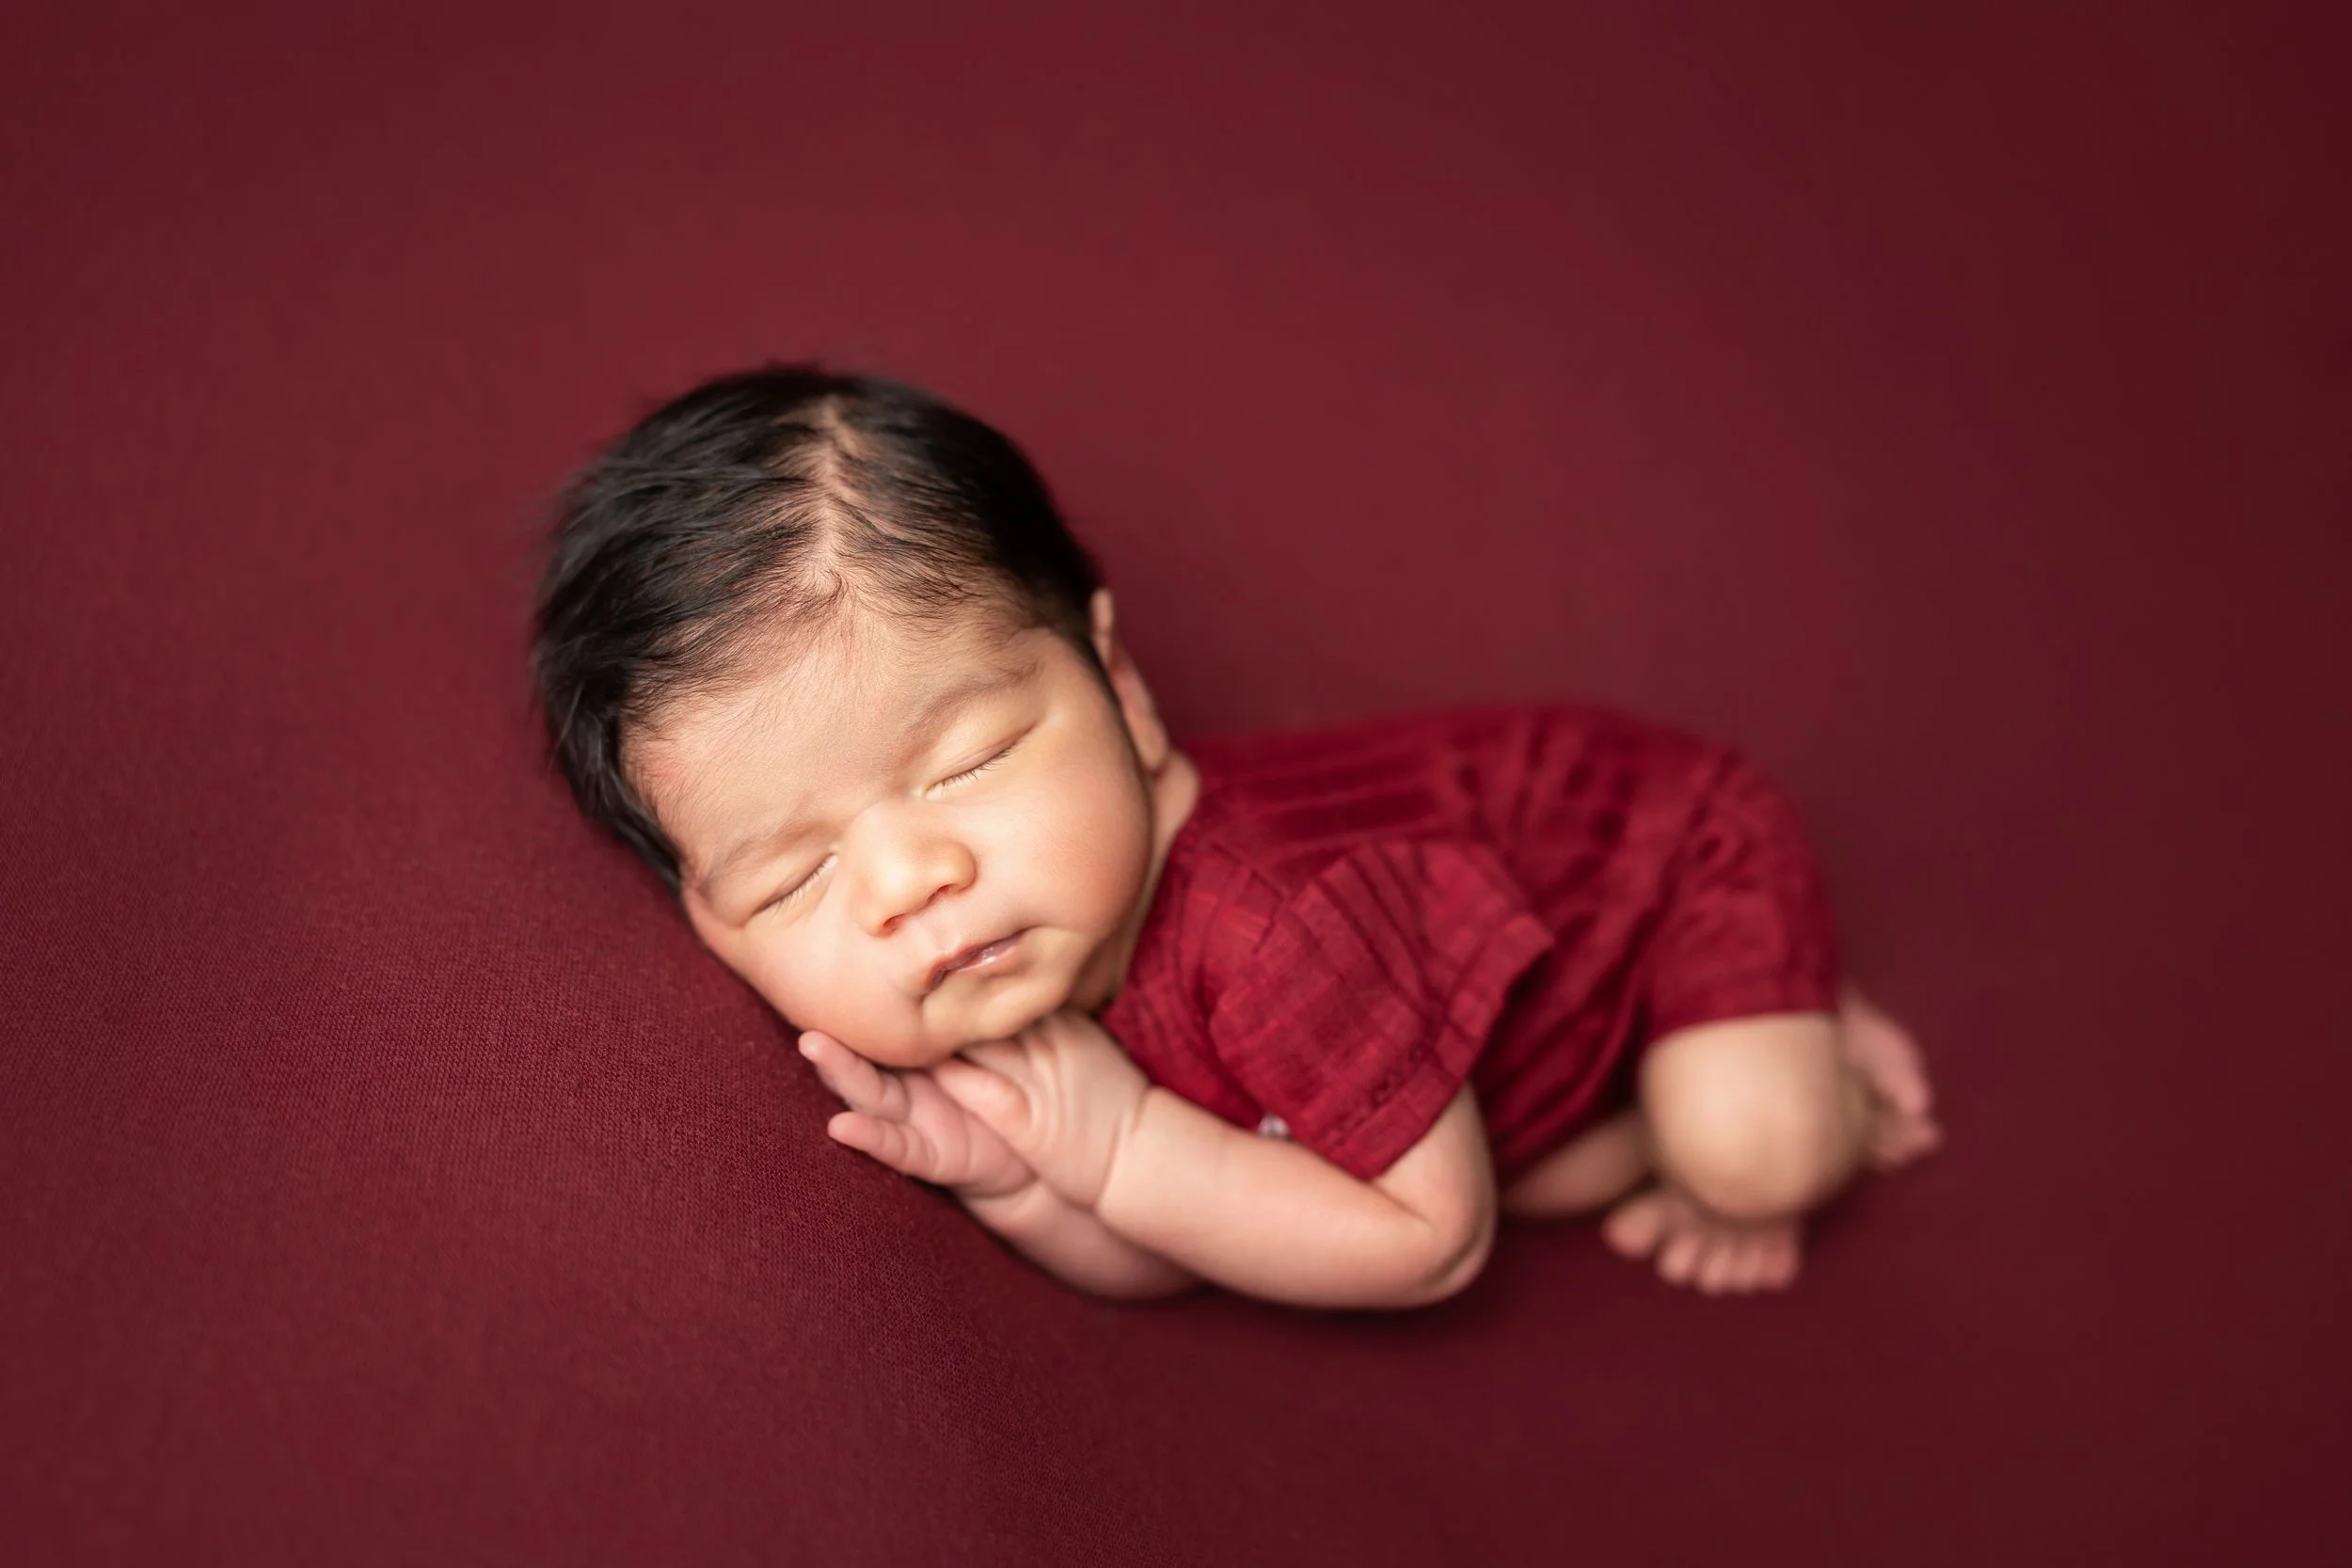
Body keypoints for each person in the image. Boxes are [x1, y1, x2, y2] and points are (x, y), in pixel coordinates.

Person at [531, 364, 1942, 1310]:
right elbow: (1192, 1241)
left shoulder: (1278, 927)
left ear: (1124, 692)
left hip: (1653, 853)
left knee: (1755, 1158)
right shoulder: (1010, 957)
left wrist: (1124, 1138)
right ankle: (1680, 1058)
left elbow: (1432, 1241)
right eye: (797, 874)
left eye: (974, 759)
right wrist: (1030, 1178)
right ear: (709, 919)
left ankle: (1782, 987)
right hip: (1486, 1025)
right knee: (1540, 1159)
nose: (910, 880)